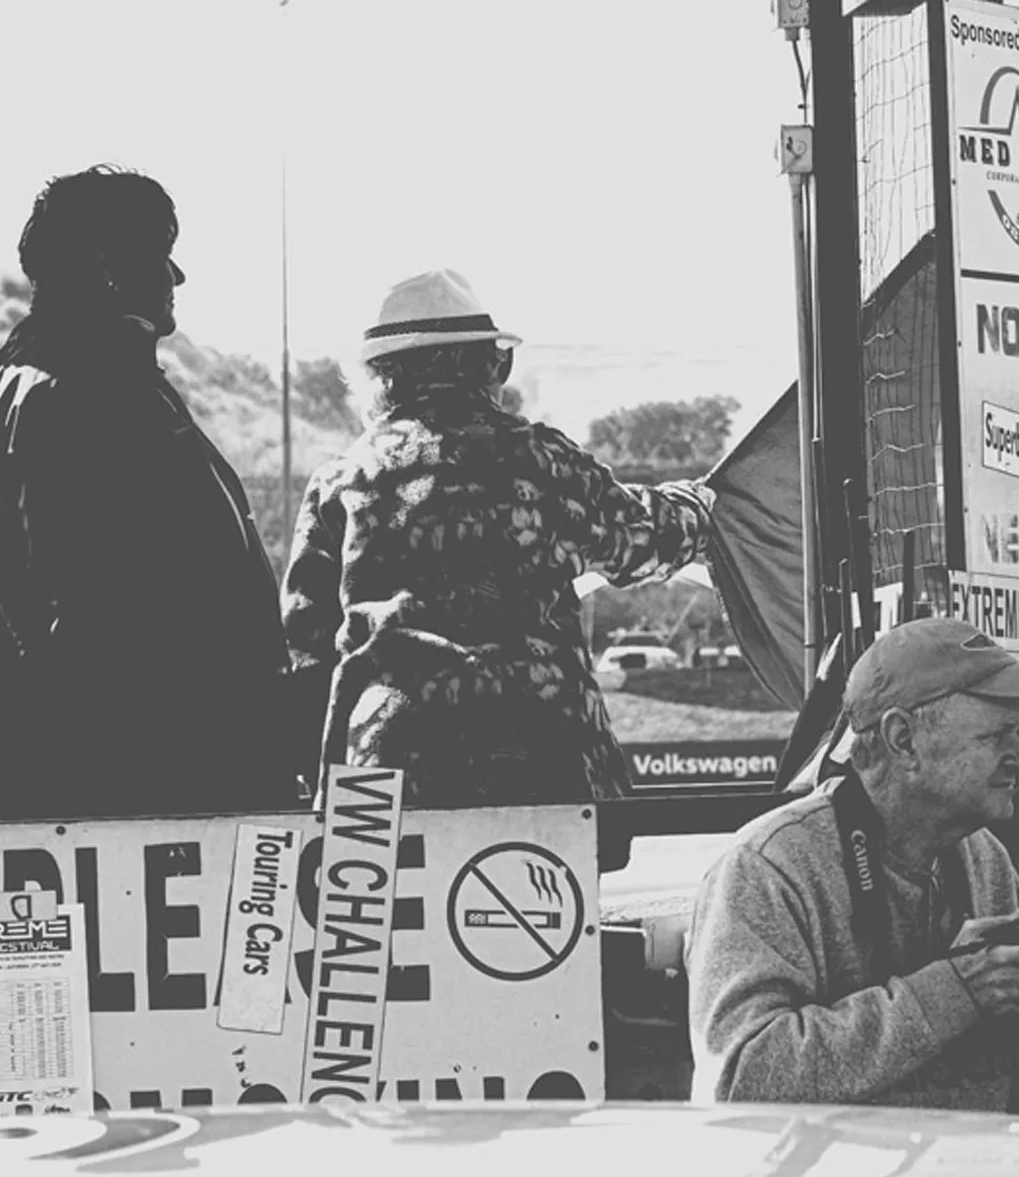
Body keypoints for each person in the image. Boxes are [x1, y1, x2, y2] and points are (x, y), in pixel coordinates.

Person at [0, 165, 293, 821]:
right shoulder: (83, 388)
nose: (177, 278)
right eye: (161, 255)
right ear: (106, 266)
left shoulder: (59, 376)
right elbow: (101, 618)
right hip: (112, 795)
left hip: (75, 786)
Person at [687, 617, 1019, 1111]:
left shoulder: (985, 858)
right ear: (903, 740)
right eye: (997, 736)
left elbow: (1014, 1079)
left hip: (962, 1174)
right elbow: (741, 1079)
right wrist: (957, 989)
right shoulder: (769, 867)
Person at [281, 268, 712, 809]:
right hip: (541, 753)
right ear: (492, 364)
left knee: (393, 897)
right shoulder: (539, 460)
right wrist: (703, 504)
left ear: (377, 377)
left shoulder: (340, 481)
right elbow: (646, 540)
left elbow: (304, 653)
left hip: (378, 773)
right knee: (534, 892)